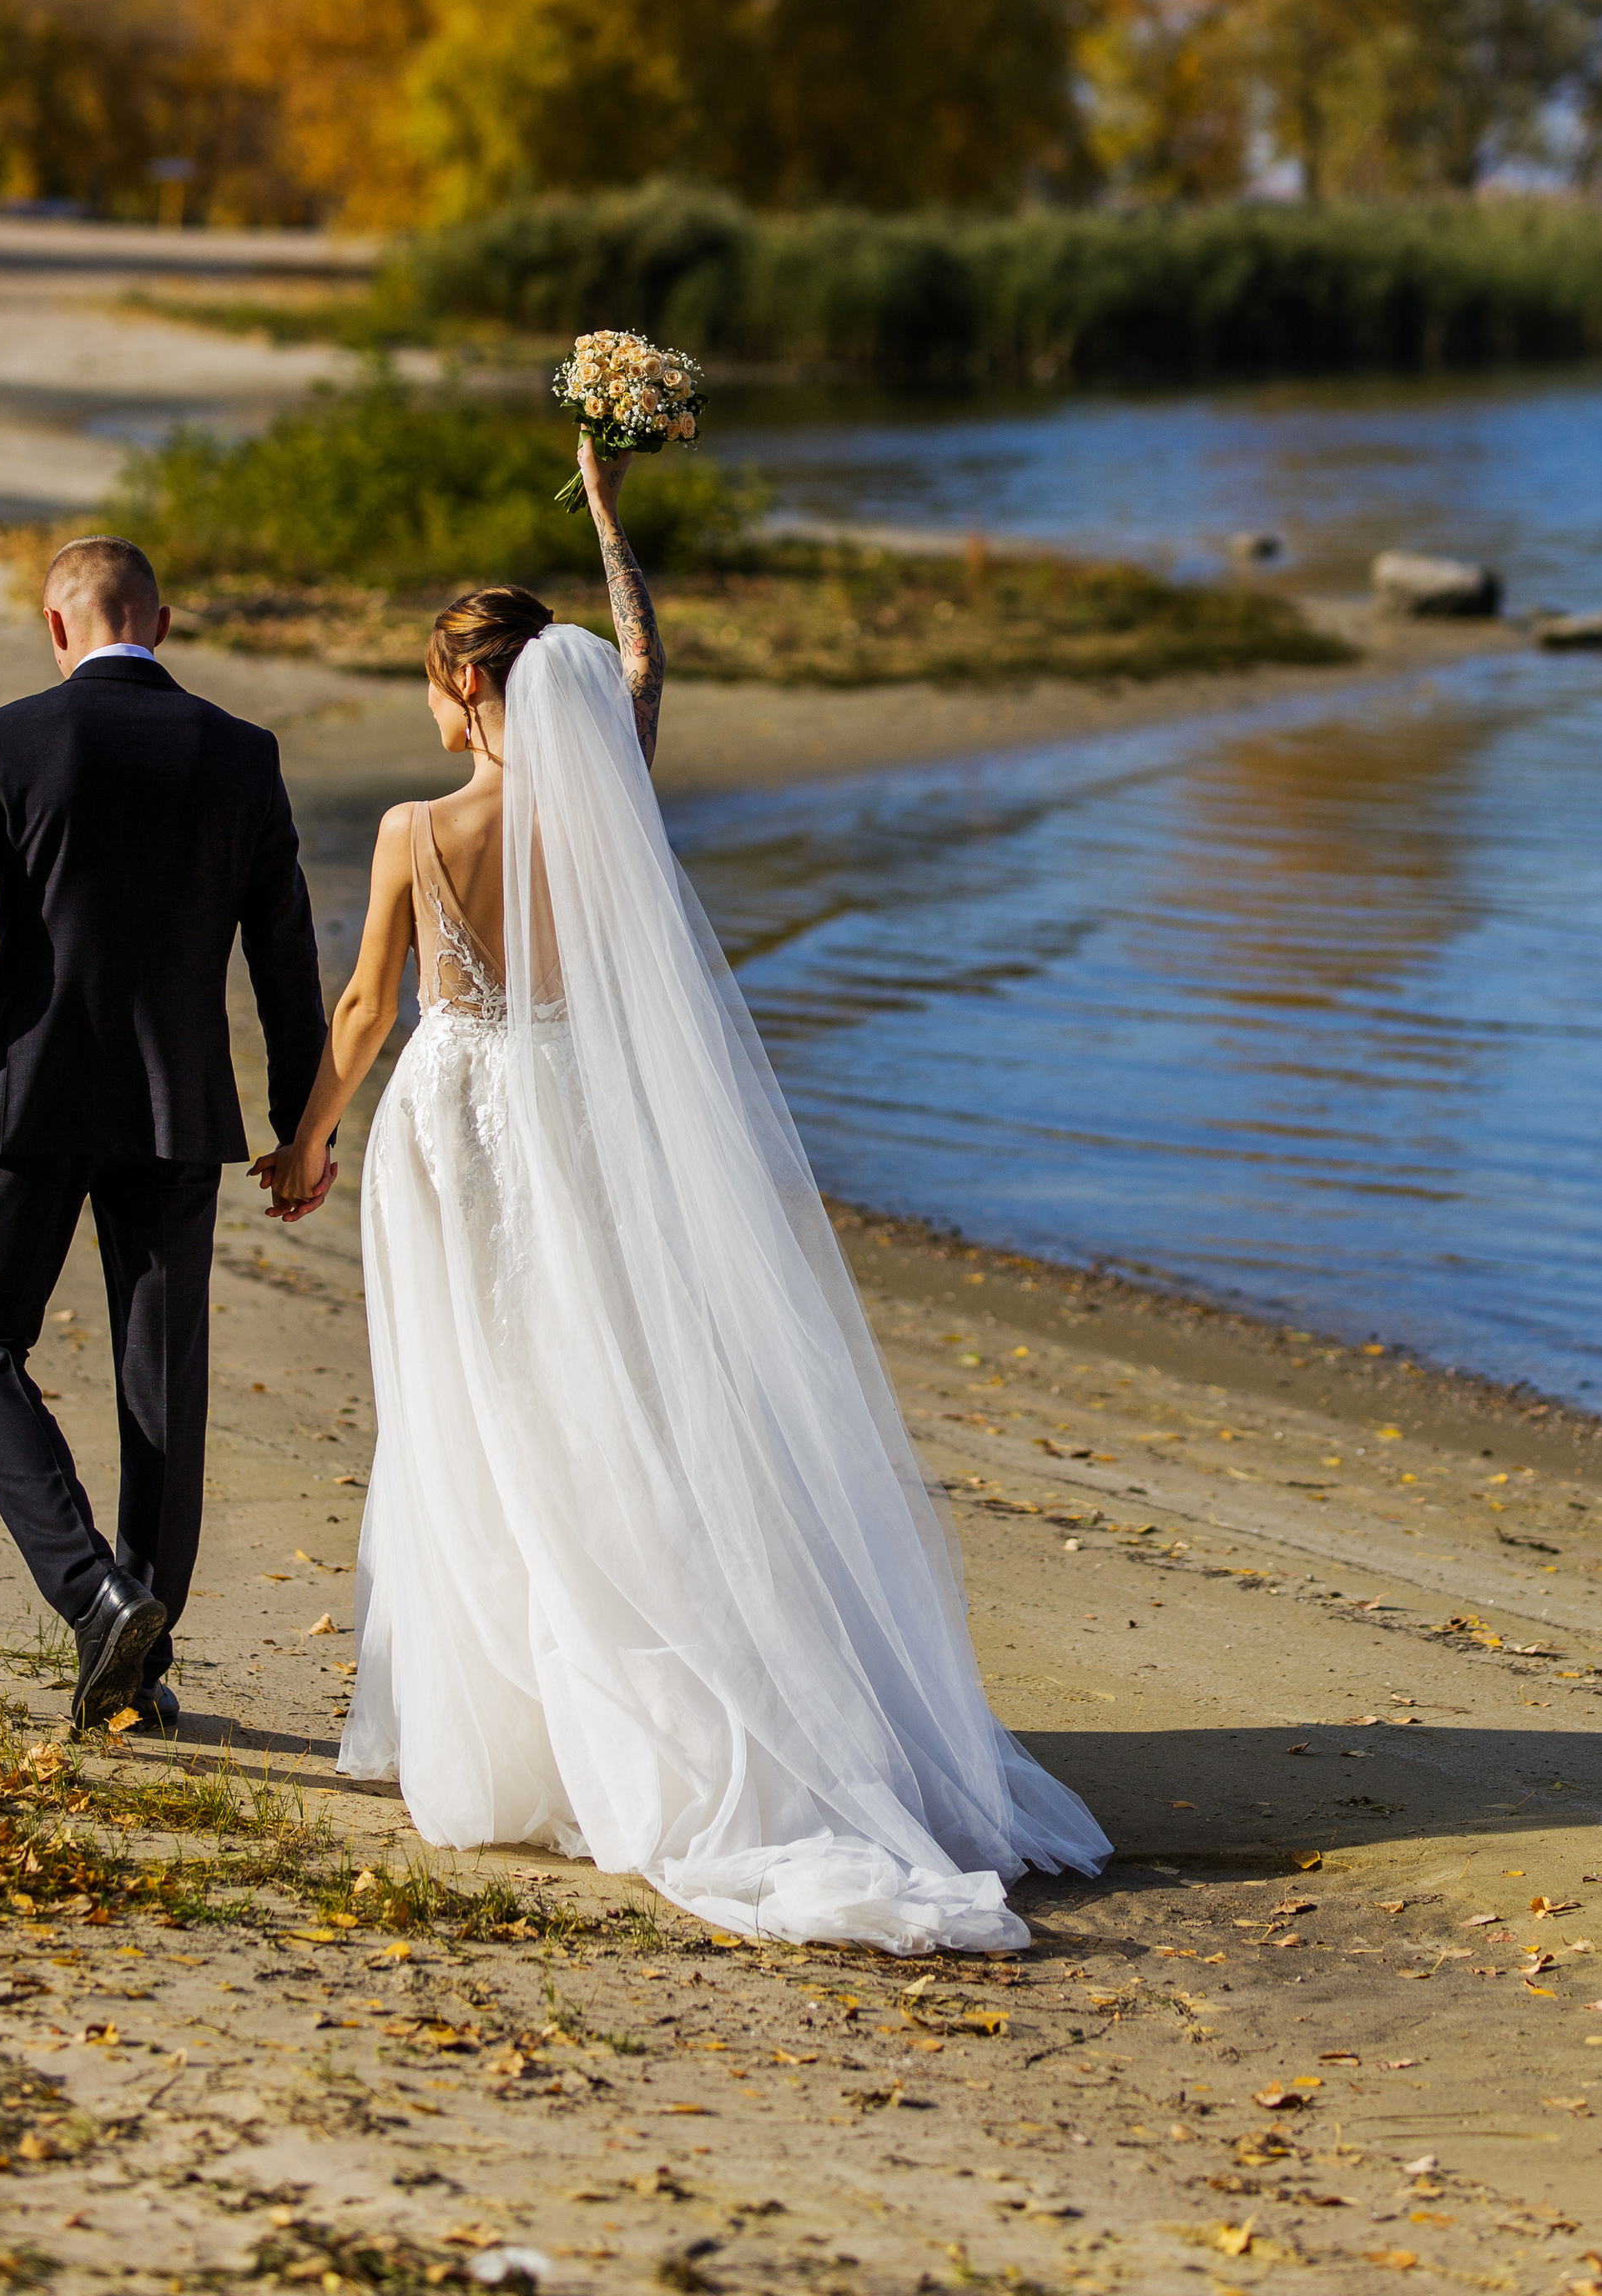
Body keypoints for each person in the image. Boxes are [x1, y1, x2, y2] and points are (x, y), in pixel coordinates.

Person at [255, 443, 1108, 1951]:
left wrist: (307, 1141)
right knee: (610, 1397)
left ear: (462, 695)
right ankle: (660, 1691)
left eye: (435, 684)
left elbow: (365, 1013)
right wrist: (601, 500)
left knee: (483, 1412)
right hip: (581, 1116)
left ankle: (532, 1736)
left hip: (461, 1129)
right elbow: (643, 653)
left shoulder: (416, 831)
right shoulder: (605, 791)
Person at [0, 534, 328, 1733]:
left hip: (25, 1100)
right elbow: (286, 957)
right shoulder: (242, 754)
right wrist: (304, 1128)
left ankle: (96, 1595)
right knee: (164, 1381)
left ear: (56, 625)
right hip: (179, 1111)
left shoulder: (7, 739)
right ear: (164, 624)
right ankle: (143, 1654)